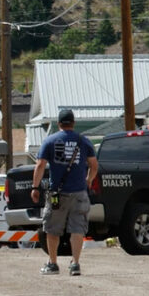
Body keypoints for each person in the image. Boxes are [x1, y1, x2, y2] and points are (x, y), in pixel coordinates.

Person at [31, 108, 98, 277]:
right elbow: (94, 165)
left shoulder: (50, 141)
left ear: (59, 123)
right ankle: (75, 264)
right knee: (77, 228)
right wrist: (88, 180)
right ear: (73, 123)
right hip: (79, 193)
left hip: (57, 194)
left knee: (53, 228)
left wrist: (35, 187)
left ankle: (53, 264)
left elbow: (40, 165)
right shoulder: (83, 141)